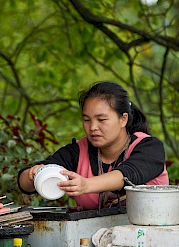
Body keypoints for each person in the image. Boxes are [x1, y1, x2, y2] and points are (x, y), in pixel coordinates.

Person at [17, 81, 168, 210]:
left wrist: (87, 185)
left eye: (101, 120)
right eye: (87, 120)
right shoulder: (77, 151)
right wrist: (34, 174)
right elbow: (24, 183)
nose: (93, 127)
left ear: (123, 119)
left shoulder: (149, 147)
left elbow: (128, 174)